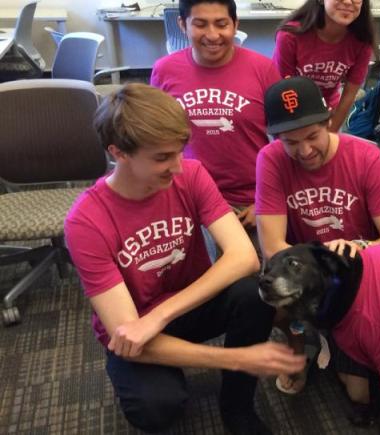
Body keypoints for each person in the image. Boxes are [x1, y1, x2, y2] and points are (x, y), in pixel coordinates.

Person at [64, 83, 305, 434]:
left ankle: (237, 409)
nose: (177, 166)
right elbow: (129, 333)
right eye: (162, 157)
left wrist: (160, 316)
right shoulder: (86, 221)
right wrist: (234, 359)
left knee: (252, 294)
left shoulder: (191, 174)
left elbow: (244, 257)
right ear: (119, 153)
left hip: (178, 309)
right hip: (134, 332)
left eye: (179, 151)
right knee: (156, 408)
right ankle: (166, 367)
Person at [255, 76, 380, 400]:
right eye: (291, 142)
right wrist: (314, 271)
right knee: (265, 293)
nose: (305, 150)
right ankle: (299, 346)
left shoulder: (365, 156)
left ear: (329, 121)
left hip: (360, 273)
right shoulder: (270, 159)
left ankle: (333, 338)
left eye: (312, 136)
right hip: (307, 273)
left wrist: (358, 249)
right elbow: (272, 248)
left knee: (358, 392)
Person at [151, 0, 281, 245]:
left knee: (252, 279)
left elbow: (286, 142)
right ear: (182, 25)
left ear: (235, 25)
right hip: (186, 200)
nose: (212, 35)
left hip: (249, 203)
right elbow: (155, 140)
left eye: (221, 24)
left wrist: (266, 201)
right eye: (200, 24)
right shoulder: (164, 71)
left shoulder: (263, 69)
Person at [273, 0, 375, 132]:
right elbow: (284, 91)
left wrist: (331, 131)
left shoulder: (362, 40)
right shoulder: (290, 36)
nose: (348, 2)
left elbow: (349, 94)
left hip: (327, 112)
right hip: (290, 112)